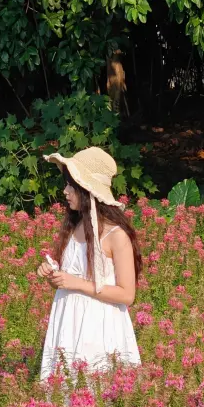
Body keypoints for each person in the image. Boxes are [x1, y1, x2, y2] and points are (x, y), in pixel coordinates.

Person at [37, 146, 142, 382]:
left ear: (87, 190)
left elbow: (127, 295)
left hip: (98, 324)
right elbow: (72, 276)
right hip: (67, 319)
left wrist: (77, 283)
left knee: (95, 383)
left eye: (71, 185)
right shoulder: (75, 227)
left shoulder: (116, 235)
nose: (65, 191)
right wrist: (55, 274)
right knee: (64, 383)